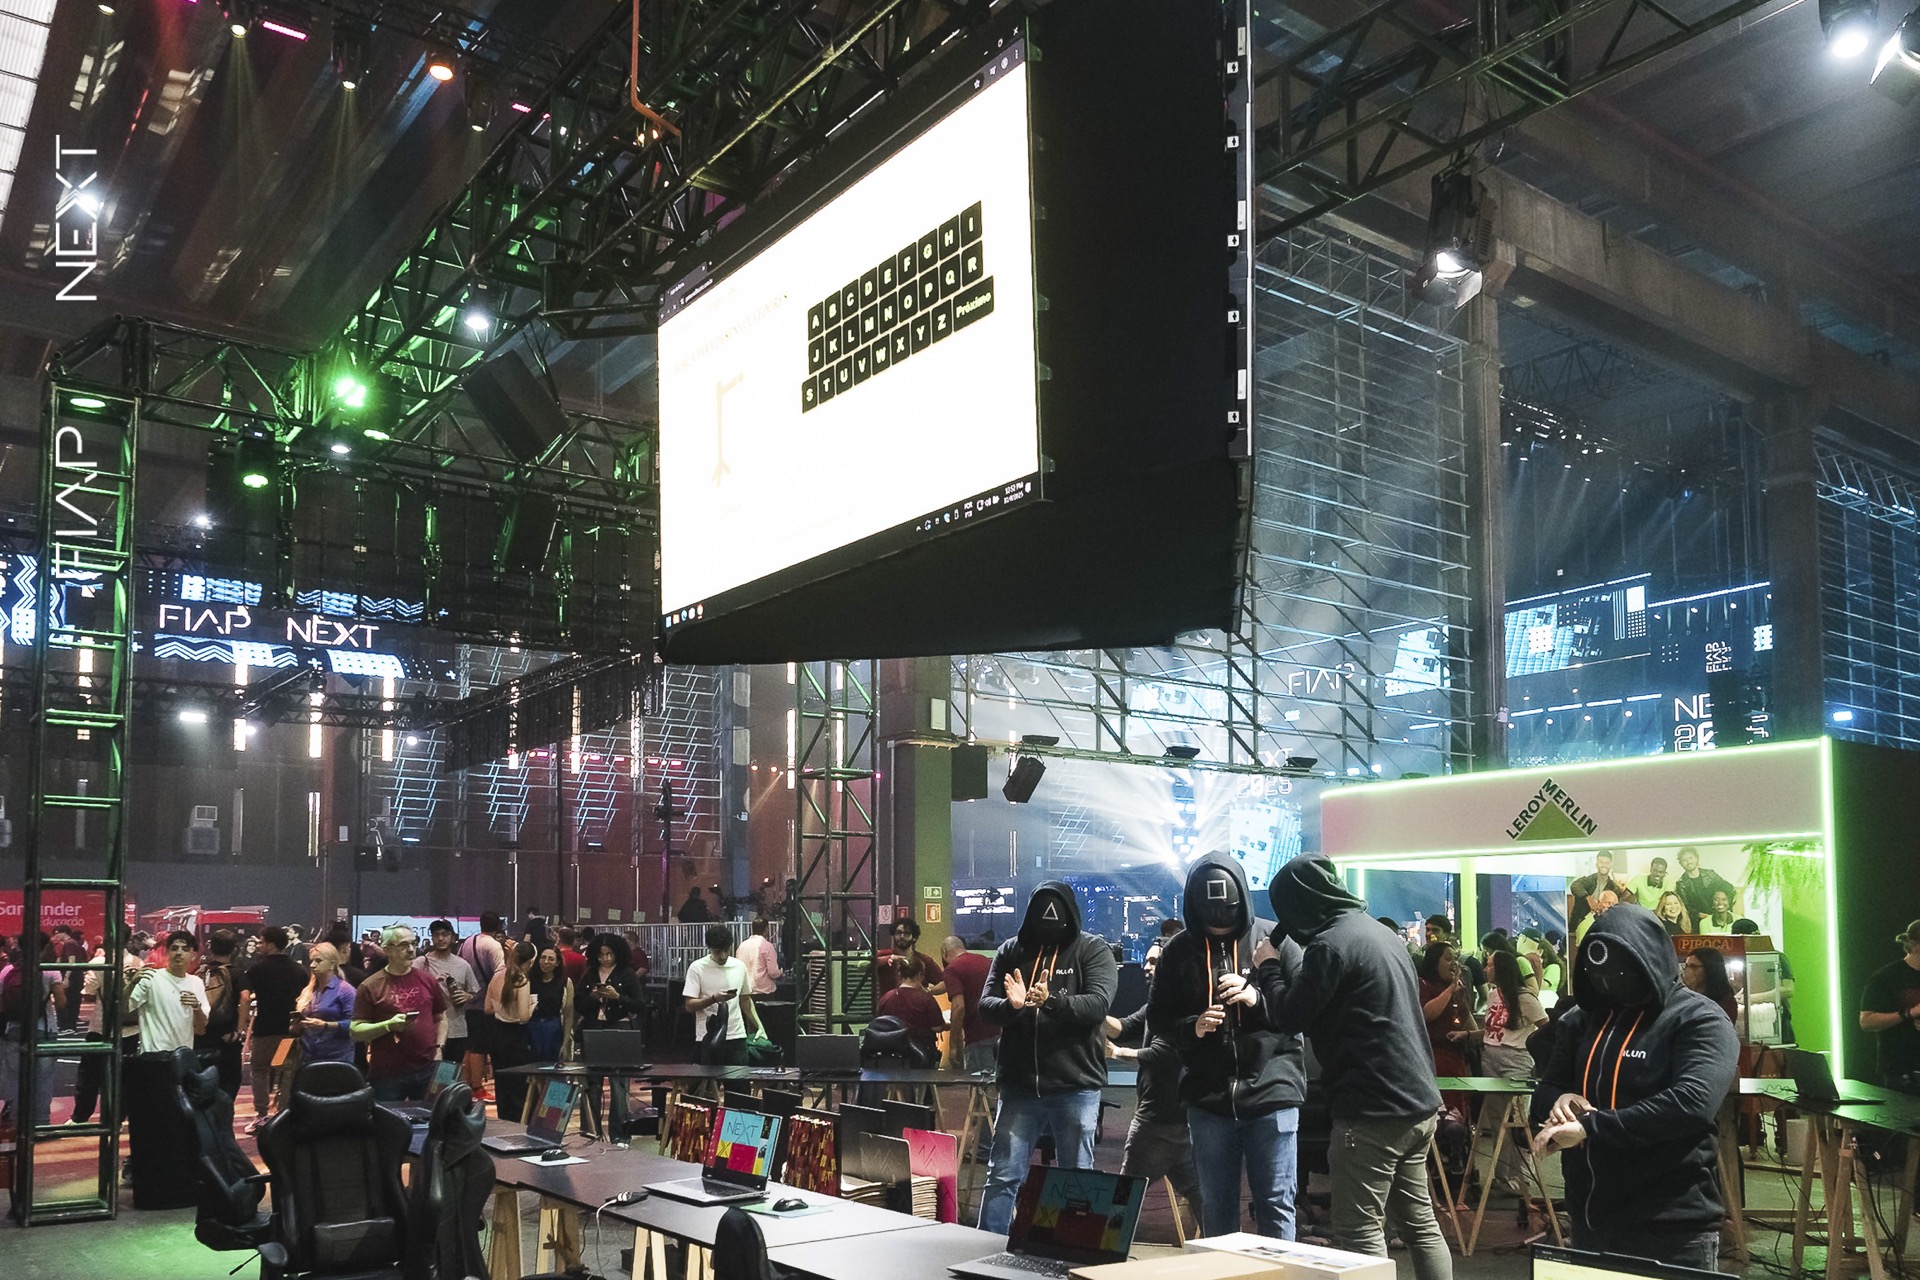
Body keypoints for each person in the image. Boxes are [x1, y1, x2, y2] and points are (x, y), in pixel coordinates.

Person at [1261, 855, 1451, 1280]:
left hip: (1371, 1108)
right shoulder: (1380, 934)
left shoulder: (1330, 945)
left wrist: (1269, 966)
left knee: (1358, 1232)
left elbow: (1290, 1015)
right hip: (1418, 1102)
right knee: (1420, 1226)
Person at [1531, 903, 1740, 1268]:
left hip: (1671, 1226)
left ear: (1650, 959)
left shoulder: (1699, 1019)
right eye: (1599, 974)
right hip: (1589, 1219)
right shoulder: (1582, 1020)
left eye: (1620, 971)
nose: (1609, 982)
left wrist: (1590, 1127)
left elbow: (1691, 1104)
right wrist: (1560, 1099)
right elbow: (1546, 1089)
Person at [1153, 852, 1306, 1240]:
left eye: (1227, 917)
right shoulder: (1179, 950)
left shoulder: (1274, 941)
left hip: (1272, 1091)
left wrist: (1257, 999)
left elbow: (1303, 1013)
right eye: (1209, 919)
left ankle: (1278, 1269)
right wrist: (1193, 1027)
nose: (1218, 926)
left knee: (1275, 1204)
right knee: (1216, 1207)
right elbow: (1159, 1020)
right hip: (1208, 1099)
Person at [975, 881, 1118, 1234]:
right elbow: (985, 1006)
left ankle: (1071, 1249)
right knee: (1003, 1175)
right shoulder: (1012, 950)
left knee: (1075, 1178)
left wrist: (1051, 1000)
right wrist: (1013, 1006)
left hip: (1075, 1085)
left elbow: (1098, 1005)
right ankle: (985, 1250)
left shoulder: (1092, 949)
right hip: (1020, 1085)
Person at [1105, 999, 1204, 1232]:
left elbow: (1161, 1053)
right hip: (1179, 1118)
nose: (1147, 972)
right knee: (1200, 1192)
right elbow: (1125, 1027)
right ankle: (1219, 1247)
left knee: (1126, 1192)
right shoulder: (1157, 1004)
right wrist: (1094, 1012)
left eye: (1152, 962)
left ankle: (1109, 1242)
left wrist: (1117, 1052)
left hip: (1159, 1120)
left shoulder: (1182, 1007)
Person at [350, 924, 449, 1102]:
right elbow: (355, 1031)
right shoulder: (370, 986)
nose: (411, 949)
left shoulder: (427, 980)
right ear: (387, 950)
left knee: (431, 1117)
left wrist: (439, 1048)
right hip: (388, 1074)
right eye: (403, 945)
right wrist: (389, 1025)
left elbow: (441, 1018)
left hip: (427, 1068)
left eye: (413, 943)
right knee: (388, 1119)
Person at [1479, 948, 1548, 1196]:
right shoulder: (1492, 995)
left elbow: (1546, 1027)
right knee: (1498, 1122)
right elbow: (1493, 1028)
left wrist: (1532, 1048)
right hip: (1490, 1057)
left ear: (1502, 969)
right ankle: (1502, 1176)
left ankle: (1520, 1177)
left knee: (1518, 1121)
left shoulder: (1525, 998)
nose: (1485, 969)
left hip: (1516, 1061)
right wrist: (1468, 1034)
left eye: (1490, 964)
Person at [577, 933, 645, 1139]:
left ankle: (620, 1135)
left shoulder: (627, 974)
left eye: (609, 954)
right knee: (592, 1083)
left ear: (618, 953)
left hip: (619, 1028)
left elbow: (639, 1005)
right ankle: (590, 1132)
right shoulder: (590, 974)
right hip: (593, 1029)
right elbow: (578, 1004)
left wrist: (618, 997)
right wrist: (592, 997)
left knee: (619, 1084)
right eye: (601, 955)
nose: (605, 959)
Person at [238, 925, 306, 1129]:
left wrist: (241, 1026)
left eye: (261, 942)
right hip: (289, 1030)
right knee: (284, 1071)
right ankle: (284, 1114)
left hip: (265, 1030)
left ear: (271, 944)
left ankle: (262, 1115)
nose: (258, 945)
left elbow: (245, 997)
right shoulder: (299, 970)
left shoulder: (257, 970)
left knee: (260, 1070)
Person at [684, 924, 761, 1066]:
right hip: (707, 1036)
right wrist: (713, 999)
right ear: (710, 948)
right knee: (704, 1080)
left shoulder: (739, 966)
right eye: (718, 951)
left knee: (739, 1080)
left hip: (737, 1036)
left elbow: (745, 999)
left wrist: (759, 1026)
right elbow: (689, 1005)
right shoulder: (697, 968)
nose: (723, 955)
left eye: (726, 950)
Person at [1859, 921, 1920, 1093]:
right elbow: (1866, 1021)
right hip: (1900, 1069)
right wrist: (1909, 1013)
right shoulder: (1886, 978)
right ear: (1914, 945)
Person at [417, 919, 480, 1064]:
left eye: (445, 934)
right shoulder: (422, 963)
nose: (441, 938)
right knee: (429, 1071)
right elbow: (411, 990)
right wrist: (432, 984)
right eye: (436, 935)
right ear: (432, 937)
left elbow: (475, 992)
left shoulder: (463, 965)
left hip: (457, 1030)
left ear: (452, 937)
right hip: (430, 1031)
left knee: (450, 1071)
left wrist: (468, 996)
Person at [486, 941, 537, 1120]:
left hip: (498, 1035)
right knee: (518, 1087)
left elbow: (487, 1008)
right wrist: (532, 1006)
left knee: (502, 1086)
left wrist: (502, 1010)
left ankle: (504, 1122)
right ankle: (518, 1125)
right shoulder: (522, 980)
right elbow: (523, 1017)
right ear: (530, 961)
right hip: (516, 1037)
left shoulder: (497, 976)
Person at [458, 912, 507, 1092]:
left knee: (469, 1046)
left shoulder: (467, 942)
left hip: (466, 1002)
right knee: (479, 1046)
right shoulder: (493, 946)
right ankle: (478, 1087)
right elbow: (500, 974)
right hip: (485, 1003)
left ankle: (466, 1085)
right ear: (498, 926)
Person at [195, 929, 244, 1099]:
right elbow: (245, 998)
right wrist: (239, 1030)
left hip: (201, 1035)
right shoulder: (236, 973)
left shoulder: (200, 972)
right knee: (228, 1082)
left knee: (203, 1082)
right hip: (227, 1037)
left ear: (210, 947)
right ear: (234, 949)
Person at [1419, 942, 1477, 1079]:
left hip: (1457, 1058)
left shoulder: (1459, 988)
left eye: (1456, 959)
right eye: (1448, 959)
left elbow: (1466, 1018)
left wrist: (1473, 1036)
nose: (1455, 963)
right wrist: (1450, 989)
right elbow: (1426, 1014)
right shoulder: (1423, 984)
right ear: (1434, 961)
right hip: (1433, 1057)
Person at [940, 935, 998, 1073]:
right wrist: (930, 991)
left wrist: (954, 1046)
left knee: (979, 1081)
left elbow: (958, 1007)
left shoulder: (952, 969)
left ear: (944, 953)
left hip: (977, 1035)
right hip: (998, 1031)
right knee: (995, 1080)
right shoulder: (985, 961)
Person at [295, 942, 357, 1065]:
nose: (312, 965)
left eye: (318, 961)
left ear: (332, 964)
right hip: (308, 1056)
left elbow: (355, 1025)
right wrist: (296, 1027)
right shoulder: (308, 991)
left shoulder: (346, 990)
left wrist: (326, 1025)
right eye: (312, 961)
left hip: (337, 1057)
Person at [874, 955, 945, 1061]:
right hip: (921, 1054)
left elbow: (879, 1023)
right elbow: (937, 1027)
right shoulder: (926, 999)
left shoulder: (886, 998)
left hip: (892, 1055)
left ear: (899, 975)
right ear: (920, 975)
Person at [875, 916, 945, 998]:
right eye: (898, 933)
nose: (902, 936)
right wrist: (889, 958)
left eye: (906, 933)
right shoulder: (884, 955)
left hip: (916, 1004)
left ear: (914, 937)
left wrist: (927, 991)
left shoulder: (925, 960)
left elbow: (944, 983)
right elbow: (865, 964)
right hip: (890, 1003)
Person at [527, 943, 575, 1063]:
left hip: (553, 1028)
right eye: (543, 958)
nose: (546, 962)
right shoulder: (529, 980)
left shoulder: (565, 982)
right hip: (531, 1027)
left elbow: (568, 1014)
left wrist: (565, 1043)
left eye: (551, 959)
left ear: (557, 963)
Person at [1673, 847, 1738, 925]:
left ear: (1697, 858)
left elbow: (1729, 889)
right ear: (1681, 864)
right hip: (1697, 920)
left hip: (1719, 916)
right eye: (1684, 860)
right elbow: (1685, 907)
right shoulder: (1681, 884)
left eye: (1690, 858)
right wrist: (1701, 915)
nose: (1688, 862)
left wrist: (1725, 909)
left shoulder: (1710, 875)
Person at [1568, 852, 1631, 932]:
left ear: (1611, 865)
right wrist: (1588, 898)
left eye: (1607, 863)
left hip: (1603, 926)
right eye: (1601, 862)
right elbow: (1575, 886)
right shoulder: (1588, 880)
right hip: (1580, 924)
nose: (1604, 865)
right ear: (1596, 864)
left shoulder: (1614, 888)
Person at [1682, 947, 1739, 1024]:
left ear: (1709, 969)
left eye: (1694, 967)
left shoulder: (1725, 1001)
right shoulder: (1686, 996)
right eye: (1686, 966)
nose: (1688, 971)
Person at [736, 916, 782, 996]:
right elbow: (773, 972)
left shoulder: (742, 946)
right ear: (766, 929)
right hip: (764, 991)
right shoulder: (767, 946)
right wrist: (780, 973)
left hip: (745, 991)